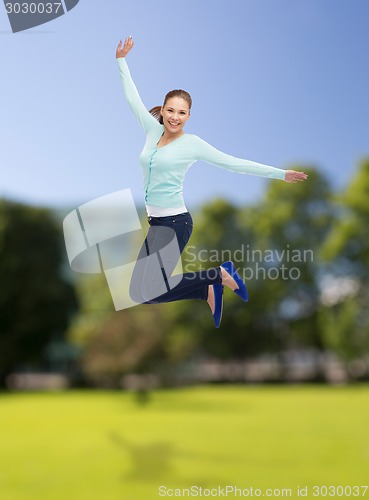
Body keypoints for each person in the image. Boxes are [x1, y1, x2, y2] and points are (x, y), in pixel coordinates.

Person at [116, 36, 308, 328]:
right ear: (164, 110)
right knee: (139, 292)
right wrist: (121, 61)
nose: (174, 117)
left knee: (148, 290)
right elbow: (132, 98)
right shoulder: (150, 132)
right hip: (156, 223)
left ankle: (218, 275)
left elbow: (233, 163)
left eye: (181, 113)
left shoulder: (193, 144)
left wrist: (281, 174)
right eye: (170, 110)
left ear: (188, 116)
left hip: (175, 222)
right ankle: (208, 286)